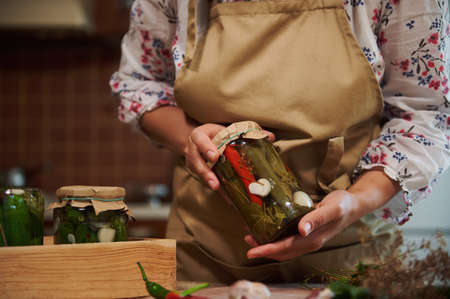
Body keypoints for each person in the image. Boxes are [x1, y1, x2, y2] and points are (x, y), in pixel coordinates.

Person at [110, 0, 450, 283]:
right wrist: (191, 137)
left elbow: (425, 114)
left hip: (350, 255)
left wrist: (355, 202)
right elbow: (140, 86)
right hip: (205, 257)